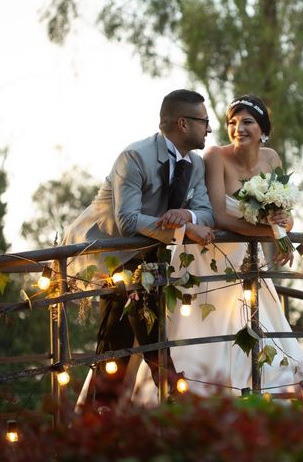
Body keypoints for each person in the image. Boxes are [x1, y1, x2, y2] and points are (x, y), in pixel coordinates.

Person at [132, 95, 303, 403]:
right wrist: (270, 235)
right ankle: (198, 399)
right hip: (207, 261)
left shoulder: (271, 159)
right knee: (202, 335)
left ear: (263, 129)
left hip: (246, 261)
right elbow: (219, 215)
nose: (238, 128)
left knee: (260, 330)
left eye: (247, 122)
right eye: (232, 122)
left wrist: (283, 225)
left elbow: (286, 214)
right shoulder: (215, 156)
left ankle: (261, 401)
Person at [64, 89, 216, 408]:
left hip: (148, 255)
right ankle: (172, 390)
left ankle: (103, 412)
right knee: (127, 330)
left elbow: (207, 212)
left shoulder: (197, 165)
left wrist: (186, 214)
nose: (209, 129)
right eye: (204, 121)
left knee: (117, 341)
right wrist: (186, 228)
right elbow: (128, 221)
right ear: (183, 123)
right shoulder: (134, 157)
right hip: (107, 253)